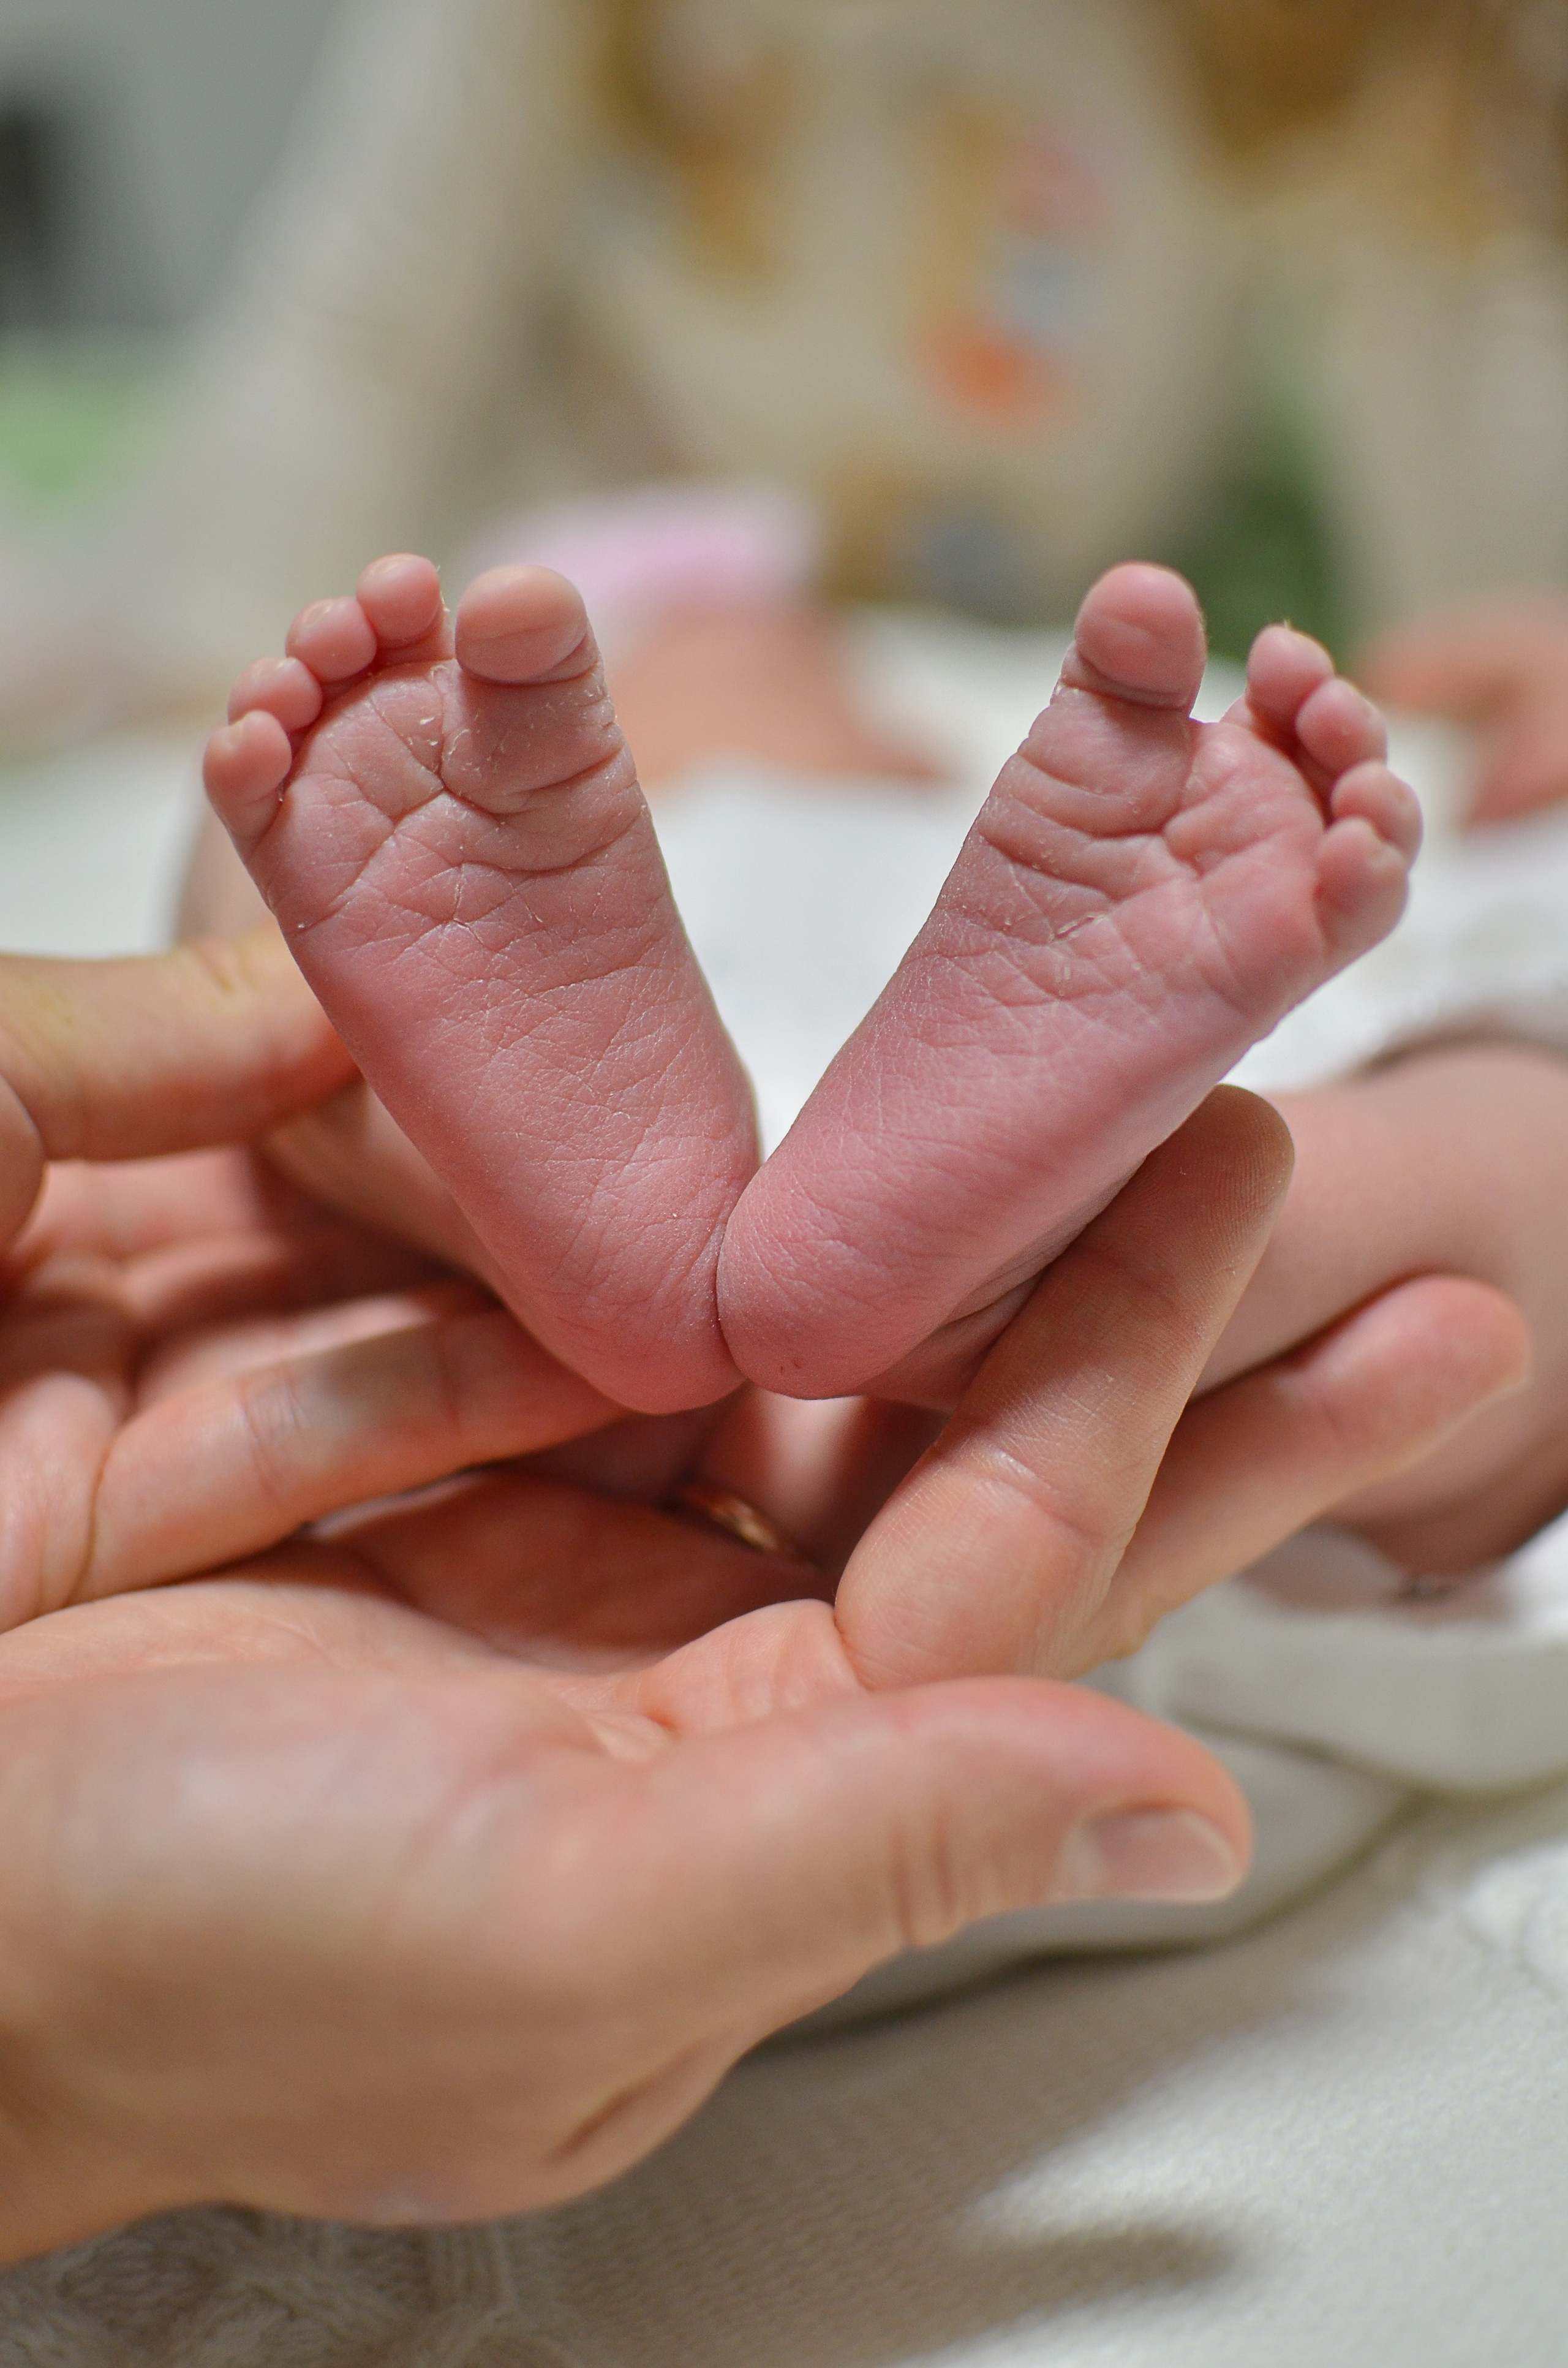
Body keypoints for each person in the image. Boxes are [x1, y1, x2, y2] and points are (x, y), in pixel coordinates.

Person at [0, 940, 1525, 2260]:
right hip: (941, 1478)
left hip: (467, 1331)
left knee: (329, 1037)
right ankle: (1013, 1258)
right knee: (1479, 1164)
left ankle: (487, 1066)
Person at [203, 547, 1568, 1592]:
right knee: (1507, 1147)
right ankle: (1037, 1278)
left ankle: (501, 1216)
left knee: (282, 993)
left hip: (624, 1198)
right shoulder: (1034, 826)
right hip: (1140, 1323)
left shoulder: (750, 793)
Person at [11, 0, 1568, 831]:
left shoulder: (1306, 48)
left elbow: (1475, 566)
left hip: (928, 688)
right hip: (524, 594)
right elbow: (359, 335)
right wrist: (185, 725)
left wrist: (1503, 699)